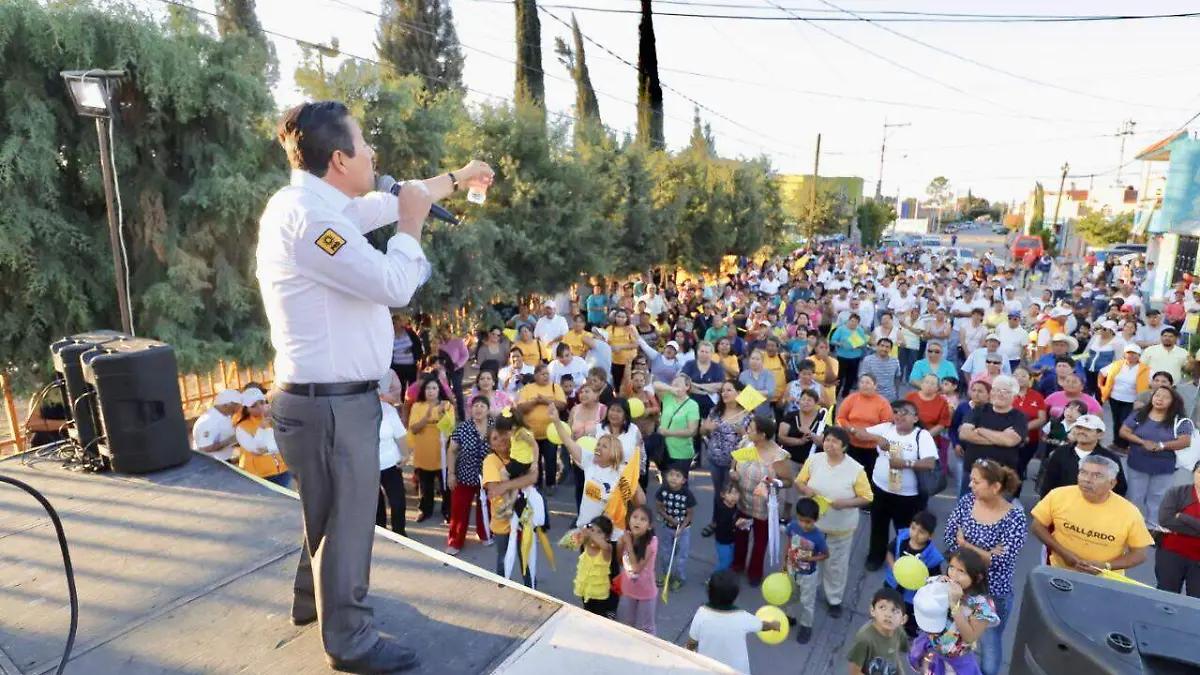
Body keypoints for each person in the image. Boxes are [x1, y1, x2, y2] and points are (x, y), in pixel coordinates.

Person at [257, 100, 493, 672]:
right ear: (339, 159)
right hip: (332, 409)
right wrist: (411, 226)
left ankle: (311, 602)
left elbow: (383, 203)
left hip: (318, 402)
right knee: (349, 521)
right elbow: (393, 283)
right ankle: (351, 640)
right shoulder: (314, 223)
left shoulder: (309, 204)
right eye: (364, 146)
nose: (373, 154)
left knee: (326, 511)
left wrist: (456, 180)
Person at [943, 460, 1027, 675]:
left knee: (990, 642)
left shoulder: (1015, 517)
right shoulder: (967, 502)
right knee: (956, 634)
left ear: (995, 487)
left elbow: (1003, 561)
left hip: (994, 593)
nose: (970, 485)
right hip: (961, 588)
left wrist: (966, 545)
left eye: (976, 481)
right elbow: (949, 538)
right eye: (971, 480)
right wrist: (986, 554)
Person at [795, 427, 874, 618]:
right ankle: (805, 591)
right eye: (827, 440)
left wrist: (846, 503)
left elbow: (867, 497)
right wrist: (806, 491)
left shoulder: (855, 469)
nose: (829, 445)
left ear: (844, 446)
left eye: (835, 442)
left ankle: (834, 599)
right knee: (805, 559)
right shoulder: (814, 460)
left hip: (840, 526)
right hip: (811, 525)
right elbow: (799, 481)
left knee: (836, 565)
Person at [1031, 454, 1153, 576]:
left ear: (1112, 483)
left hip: (1104, 581)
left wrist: (1106, 566)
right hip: (1059, 573)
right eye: (1083, 473)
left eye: (1096, 476)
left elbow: (1140, 554)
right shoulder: (1058, 495)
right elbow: (1037, 526)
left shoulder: (1129, 512)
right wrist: (1063, 553)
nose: (1087, 479)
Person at [856, 400, 939, 571]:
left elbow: (930, 463)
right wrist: (877, 438)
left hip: (907, 496)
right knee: (878, 525)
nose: (899, 416)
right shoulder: (886, 428)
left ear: (915, 418)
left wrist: (905, 463)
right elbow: (858, 433)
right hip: (880, 489)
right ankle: (876, 557)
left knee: (906, 530)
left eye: (905, 412)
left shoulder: (921, 435)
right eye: (896, 412)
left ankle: (903, 561)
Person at [909, 549, 999, 675]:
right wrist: (935, 588)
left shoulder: (982, 605)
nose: (953, 575)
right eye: (951, 567)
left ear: (977, 577)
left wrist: (954, 605)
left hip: (954, 666)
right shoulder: (943, 583)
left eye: (961, 571)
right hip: (931, 653)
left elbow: (970, 637)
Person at [729, 416, 793, 587]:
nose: (747, 431)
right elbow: (734, 460)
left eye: (751, 429)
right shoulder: (746, 443)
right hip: (742, 501)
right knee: (741, 534)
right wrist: (732, 470)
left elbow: (788, 481)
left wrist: (773, 483)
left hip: (763, 507)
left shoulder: (778, 457)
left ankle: (755, 572)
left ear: (762, 435)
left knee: (760, 541)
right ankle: (737, 565)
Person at [1119, 386, 1194, 529]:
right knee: (1135, 495)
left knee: (1158, 496)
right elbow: (1124, 431)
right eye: (1157, 395)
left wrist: (1161, 446)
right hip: (1137, 463)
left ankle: (1153, 525)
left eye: (1165, 397)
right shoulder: (1139, 413)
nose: (1159, 399)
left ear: (1173, 402)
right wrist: (1142, 442)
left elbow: (1185, 441)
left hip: (1165, 467)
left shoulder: (1181, 420)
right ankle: (1133, 525)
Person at [686, 570, 782, 673]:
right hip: (736, 670)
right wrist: (773, 625)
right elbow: (762, 626)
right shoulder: (742, 617)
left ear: (709, 591)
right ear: (735, 596)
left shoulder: (701, 613)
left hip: (708, 668)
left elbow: (692, 642)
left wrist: (688, 651)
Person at [483, 421, 537, 585]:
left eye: (502, 435)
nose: (500, 440)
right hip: (502, 520)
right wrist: (519, 483)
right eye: (494, 438)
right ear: (491, 445)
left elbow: (533, 477)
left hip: (524, 516)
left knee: (526, 556)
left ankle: (531, 588)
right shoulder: (490, 461)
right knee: (503, 557)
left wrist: (507, 485)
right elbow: (494, 488)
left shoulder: (520, 454)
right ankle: (503, 586)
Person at [956, 375, 1027, 495]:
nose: (999, 394)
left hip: (1002, 476)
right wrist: (1000, 438)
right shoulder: (978, 410)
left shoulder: (1019, 417)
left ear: (1014, 396)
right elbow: (964, 434)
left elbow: (1010, 441)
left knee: (998, 512)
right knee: (968, 511)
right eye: (996, 390)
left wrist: (981, 430)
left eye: (1005, 391)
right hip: (973, 474)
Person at [700, 382, 752, 536]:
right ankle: (716, 522)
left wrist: (743, 432)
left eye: (729, 390)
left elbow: (753, 441)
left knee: (733, 495)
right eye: (723, 391)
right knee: (719, 494)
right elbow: (702, 430)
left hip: (735, 463)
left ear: (739, 393)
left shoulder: (747, 414)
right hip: (715, 460)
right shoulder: (715, 411)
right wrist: (706, 428)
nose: (725, 393)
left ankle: (731, 524)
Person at [882, 511, 944, 639]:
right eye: (913, 528)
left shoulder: (932, 556)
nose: (915, 534)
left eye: (921, 532)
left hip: (912, 594)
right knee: (888, 603)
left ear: (930, 536)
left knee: (909, 613)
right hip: (892, 583)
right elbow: (890, 552)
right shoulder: (902, 538)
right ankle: (885, 622)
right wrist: (894, 567)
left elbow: (933, 578)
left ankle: (908, 633)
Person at [444, 395, 493, 555]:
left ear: (488, 410)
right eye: (475, 406)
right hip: (464, 475)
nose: (478, 409)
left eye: (482, 406)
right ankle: (455, 542)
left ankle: (485, 533)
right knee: (459, 510)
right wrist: (451, 473)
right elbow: (451, 451)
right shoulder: (463, 428)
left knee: (487, 508)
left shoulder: (495, 427)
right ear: (471, 409)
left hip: (488, 477)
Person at [1039, 414, 1127, 497]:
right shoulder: (1060, 453)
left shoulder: (1110, 459)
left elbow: (1119, 488)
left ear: (1100, 435)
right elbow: (1048, 484)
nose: (1082, 432)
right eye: (1078, 427)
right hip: (1063, 506)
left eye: (1088, 429)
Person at [782, 498, 829, 644]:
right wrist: (785, 561)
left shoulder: (818, 536)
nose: (804, 524)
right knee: (790, 595)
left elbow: (826, 554)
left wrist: (812, 559)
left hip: (808, 575)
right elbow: (789, 543)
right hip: (792, 569)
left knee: (807, 601)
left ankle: (806, 626)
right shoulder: (793, 526)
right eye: (801, 520)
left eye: (808, 522)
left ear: (815, 520)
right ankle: (789, 616)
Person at [516, 363, 567, 495]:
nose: (546, 376)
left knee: (550, 459)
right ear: (535, 375)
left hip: (550, 433)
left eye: (547, 374)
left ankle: (550, 484)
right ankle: (536, 484)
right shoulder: (528, 388)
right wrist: (535, 402)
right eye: (543, 374)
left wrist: (546, 400)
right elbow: (520, 408)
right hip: (531, 433)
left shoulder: (555, 387)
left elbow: (562, 405)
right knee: (534, 460)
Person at [836, 373, 895, 476]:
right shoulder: (851, 398)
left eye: (867, 383)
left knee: (868, 476)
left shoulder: (883, 403)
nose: (864, 385)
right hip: (851, 444)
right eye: (862, 382)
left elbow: (887, 425)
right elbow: (840, 418)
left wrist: (869, 436)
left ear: (875, 386)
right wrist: (852, 430)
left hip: (872, 448)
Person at [1156, 462, 1200, 598]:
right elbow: (1165, 520)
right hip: (1171, 554)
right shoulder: (1177, 493)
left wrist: (1183, 517)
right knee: (1165, 595)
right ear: (1193, 473)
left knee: (1196, 601)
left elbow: (1175, 522)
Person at [233, 387, 290, 487]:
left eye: (262, 403)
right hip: (260, 475)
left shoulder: (276, 418)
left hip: (283, 470)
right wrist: (262, 428)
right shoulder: (242, 427)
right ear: (247, 409)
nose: (260, 407)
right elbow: (257, 450)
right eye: (254, 406)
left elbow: (287, 442)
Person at [1099, 344, 1151, 451]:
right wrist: (1102, 387)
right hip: (1114, 398)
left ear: (1139, 355)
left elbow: (1153, 382)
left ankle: (1124, 445)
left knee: (1125, 422)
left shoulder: (1145, 369)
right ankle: (1116, 443)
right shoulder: (1116, 364)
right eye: (1129, 353)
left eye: (1134, 354)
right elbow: (1102, 372)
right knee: (1116, 421)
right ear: (1124, 354)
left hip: (1131, 400)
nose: (1131, 356)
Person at [847, 587, 909, 675]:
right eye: (882, 607)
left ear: (903, 619)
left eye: (895, 610)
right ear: (872, 610)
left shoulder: (899, 631)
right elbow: (854, 672)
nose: (888, 614)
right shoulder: (864, 639)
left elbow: (895, 655)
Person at [617, 505, 659, 634]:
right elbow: (620, 560)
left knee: (645, 628)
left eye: (643, 519)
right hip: (628, 589)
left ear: (649, 526)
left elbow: (636, 569)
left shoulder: (652, 542)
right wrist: (620, 544)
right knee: (628, 625)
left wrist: (628, 544)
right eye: (634, 517)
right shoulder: (625, 537)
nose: (637, 521)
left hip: (646, 592)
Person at [654, 374, 702, 478]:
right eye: (673, 383)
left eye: (678, 383)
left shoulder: (692, 405)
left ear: (687, 387)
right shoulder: (668, 397)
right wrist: (670, 389)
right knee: (665, 483)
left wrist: (667, 432)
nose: (675, 385)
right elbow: (655, 385)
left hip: (681, 452)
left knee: (678, 484)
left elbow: (692, 431)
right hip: (664, 450)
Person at [656, 466, 697, 590]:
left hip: (683, 529)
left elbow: (690, 514)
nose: (674, 478)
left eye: (678, 476)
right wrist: (670, 519)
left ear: (683, 480)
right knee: (665, 553)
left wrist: (681, 528)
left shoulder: (687, 494)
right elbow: (659, 508)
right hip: (667, 527)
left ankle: (680, 577)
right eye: (671, 474)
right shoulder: (662, 490)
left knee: (681, 556)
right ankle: (665, 574)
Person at [376, 391, 409, 536]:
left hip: (391, 464)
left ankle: (399, 532)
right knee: (375, 504)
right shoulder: (354, 412)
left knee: (398, 502)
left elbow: (400, 434)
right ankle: (381, 531)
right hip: (367, 465)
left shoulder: (388, 410)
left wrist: (405, 454)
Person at [573, 514, 614, 616]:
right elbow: (574, 540)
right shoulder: (586, 544)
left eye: (599, 532)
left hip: (599, 594)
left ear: (607, 537)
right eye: (593, 530)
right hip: (586, 589)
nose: (594, 535)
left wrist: (591, 534)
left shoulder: (607, 549)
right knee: (587, 613)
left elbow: (603, 545)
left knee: (599, 617)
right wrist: (583, 531)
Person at [191, 389, 242, 461]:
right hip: (210, 464)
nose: (238, 410)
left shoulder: (226, 416)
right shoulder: (208, 421)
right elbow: (205, 448)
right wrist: (232, 440)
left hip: (223, 461)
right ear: (226, 405)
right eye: (236, 407)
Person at [832, 314, 869, 398]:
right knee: (839, 376)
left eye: (856, 322)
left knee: (851, 376)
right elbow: (833, 340)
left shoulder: (860, 330)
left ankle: (846, 392)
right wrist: (840, 343)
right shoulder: (841, 329)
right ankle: (835, 393)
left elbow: (864, 343)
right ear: (848, 320)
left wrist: (858, 345)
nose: (853, 323)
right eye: (852, 321)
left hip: (855, 357)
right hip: (842, 356)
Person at [860, 337, 903, 402]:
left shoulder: (895, 361)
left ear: (891, 349)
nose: (884, 349)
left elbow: (897, 378)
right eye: (882, 346)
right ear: (877, 347)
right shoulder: (868, 360)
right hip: (871, 396)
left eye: (887, 347)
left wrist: (897, 393)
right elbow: (863, 379)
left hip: (890, 397)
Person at [737, 349, 776, 418]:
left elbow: (770, 392)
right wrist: (762, 394)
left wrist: (749, 394)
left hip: (764, 413)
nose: (754, 361)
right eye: (752, 358)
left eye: (757, 359)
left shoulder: (769, 375)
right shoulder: (743, 375)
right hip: (747, 413)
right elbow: (740, 394)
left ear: (762, 362)